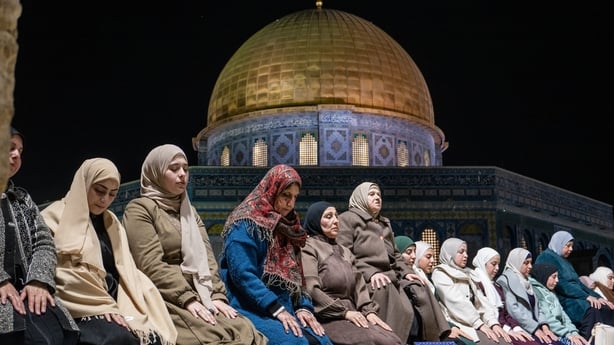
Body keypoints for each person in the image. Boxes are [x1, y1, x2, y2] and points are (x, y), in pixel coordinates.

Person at [121, 144, 266, 345]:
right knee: (213, 337)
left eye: (185, 169)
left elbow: (207, 258)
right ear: (155, 172)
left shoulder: (189, 211)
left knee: (245, 330)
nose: (182, 174)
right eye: (173, 168)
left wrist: (216, 295)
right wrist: (187, 298)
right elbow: (150, 264)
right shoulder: (140, 209)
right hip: (166, 295)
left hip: (201, 290)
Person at [41, 157, 176, 345]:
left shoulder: (111, 222)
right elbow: (60, 273)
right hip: (80, 303)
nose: (105, 200)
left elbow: (125, 268)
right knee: (118, 338)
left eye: (112, 194)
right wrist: (103, 305)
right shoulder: (52, 217)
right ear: (84, 183)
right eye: (99, 191)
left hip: (115, 297)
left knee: (152, 336)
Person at [218, 164, 331, 345]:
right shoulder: (245, 223)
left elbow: (296, 277)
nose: (291, 203)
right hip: (250, 306)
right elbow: (243, 275)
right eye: (286, 195)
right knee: (294, 343)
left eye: (295, 197)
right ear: (271, 190)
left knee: (322, 341)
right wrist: (275, 308)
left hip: (284, 307)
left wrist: (303, 307)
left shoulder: (288, 228)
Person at [1, 127, 79, 345]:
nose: (16, 155)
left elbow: (44, 242)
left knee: (56, 331)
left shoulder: (23, 199)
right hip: (4, 296)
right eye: (9, 148)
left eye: (19, 150)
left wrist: (38, 280)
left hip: (27, 291)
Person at [301, 201, 402, 345]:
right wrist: (343, 313)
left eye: (336, 216)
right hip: (328, 315)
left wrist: (369, 311)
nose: (336, 221)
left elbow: (359, 285)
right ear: (315, 221)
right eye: (328, 217)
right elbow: (311, 289)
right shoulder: (308, 247)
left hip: (353, 312)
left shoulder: (345, 251)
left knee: (392, 339)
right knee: (367, 341)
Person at [335, 182, 419, 343]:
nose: (377, 198)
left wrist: (408, 272)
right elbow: (344, 253)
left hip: (391, 275)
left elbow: (395, 255)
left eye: (379, 195)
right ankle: (390, 340)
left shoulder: (384, 223)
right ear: (360, 196)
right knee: (383, 288)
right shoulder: (348, 219)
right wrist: (370, 273)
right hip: (364, 278)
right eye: (371, 194)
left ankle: (438, 338)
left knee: (419, 289)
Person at [534, 231, 614, 338]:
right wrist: (586, 297)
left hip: (578, 296)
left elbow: (579, 284)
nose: (571, 249)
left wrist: (597, 297)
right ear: (559, 243)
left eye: (571, 246)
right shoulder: (546, 257)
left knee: (606, 308)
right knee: (592, 310)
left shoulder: (565, 261)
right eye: (568, 246)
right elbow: (560, 284)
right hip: (564, 298)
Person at [431, 237, 510, 345]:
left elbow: (482, 301)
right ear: (450, 254)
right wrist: (479, 324)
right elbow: (457, 302)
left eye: (466, 252)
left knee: (505, 341)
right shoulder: (441, 273)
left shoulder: (468, 273)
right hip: (459, 323)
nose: (466, 255)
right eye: (461, 252)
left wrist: (493, 323)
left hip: (477, 322)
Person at [496, 247, 564, 345]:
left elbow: (538, 307)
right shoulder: (505, 281)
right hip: (523, 329)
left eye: (530, 262)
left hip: (537, 327)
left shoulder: (527, 280)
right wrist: (535, 329)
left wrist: (544, 326)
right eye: (526, 263)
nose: (530, 266)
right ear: (517, 262)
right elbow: (514, 310)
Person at [472, 247, 539, 345]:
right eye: (493, 264)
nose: (497, 268)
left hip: (505, 326)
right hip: (492, 327)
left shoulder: (495, 286)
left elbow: (505, 313)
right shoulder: (477, 284)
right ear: (483, 262)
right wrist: (508, 330)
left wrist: (516, 328)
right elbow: (485, 312)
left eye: (498, 264)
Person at [393, 235, 454, 342]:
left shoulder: (419, 276)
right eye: (408, 252)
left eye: (414, 252)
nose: (413, 256)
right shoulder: (396, 280)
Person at [530, 262, 590, 345]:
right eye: (554, 277)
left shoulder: (551, 291)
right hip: (551, 333)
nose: (557, 280)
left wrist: (574, 333)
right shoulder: (536, 291)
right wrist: (567, 334)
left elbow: (563, 315)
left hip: (562, 331)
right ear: (543, 276)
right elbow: (548, 318)